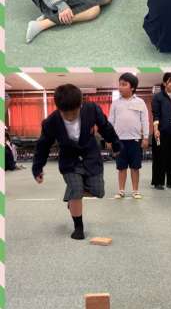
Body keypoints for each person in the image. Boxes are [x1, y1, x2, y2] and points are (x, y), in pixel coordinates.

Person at [32, 84, 121, 240]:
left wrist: (115, 143)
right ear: (58, 108)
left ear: (80, 104)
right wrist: (37, 167)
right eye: (65, 113)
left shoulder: (91, 109)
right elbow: (43, 145)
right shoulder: (51, 122)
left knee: (98, 191)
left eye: (73, 112)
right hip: (69, 160)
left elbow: (105, 127)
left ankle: (73, 198)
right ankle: (78, 226)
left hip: (91, 155)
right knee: (76, 189)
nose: (70, 117)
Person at [108, 72, 149, 200]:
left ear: (132, 87)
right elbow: (110, 122)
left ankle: (135, 191)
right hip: (119, 141)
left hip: (135, 140)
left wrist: (146, 137)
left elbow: (145, 121)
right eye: (120, 84)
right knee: (121, 167)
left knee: (135, 167)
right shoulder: (115, 103)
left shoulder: (140, 102)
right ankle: (121, 190)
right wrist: (109, 139)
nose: (120, 87)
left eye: (124, 84)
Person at [151, 73, 171, 189]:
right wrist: (156, 129)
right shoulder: (158, 97)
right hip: (161, 133)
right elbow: (156, 115)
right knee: (160, 157)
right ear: (165, 83)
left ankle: (170, 182)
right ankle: (158, 182)